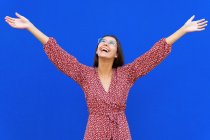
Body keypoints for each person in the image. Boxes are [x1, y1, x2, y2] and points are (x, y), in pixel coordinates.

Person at [5, 13, 207, 140]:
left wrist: (182, 30)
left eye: (111, 43)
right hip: (94, 132)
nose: (105, 43)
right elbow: (58, 54)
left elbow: (153, 55)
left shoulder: (128, 74)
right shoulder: (84, 74)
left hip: (121, 132)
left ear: (116, 53)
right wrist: (30, 27)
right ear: (97, 48)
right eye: (102, 41)